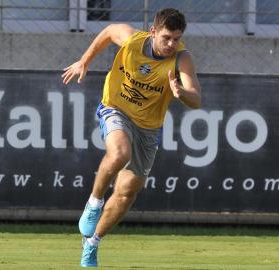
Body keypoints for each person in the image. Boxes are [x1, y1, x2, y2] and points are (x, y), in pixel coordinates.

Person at [62, 8, 201, 268]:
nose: (172, 44)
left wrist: (181, 93)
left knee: (127, 192)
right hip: (116, 108)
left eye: (177, 38)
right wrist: (85, 61)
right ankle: (94, 203)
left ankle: (92, 244)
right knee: (119, 153)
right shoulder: (132, 39)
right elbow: (107, 32)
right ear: (153, 32)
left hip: (149, 129)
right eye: (167, 37)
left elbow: (196, 99)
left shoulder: (182, 59)